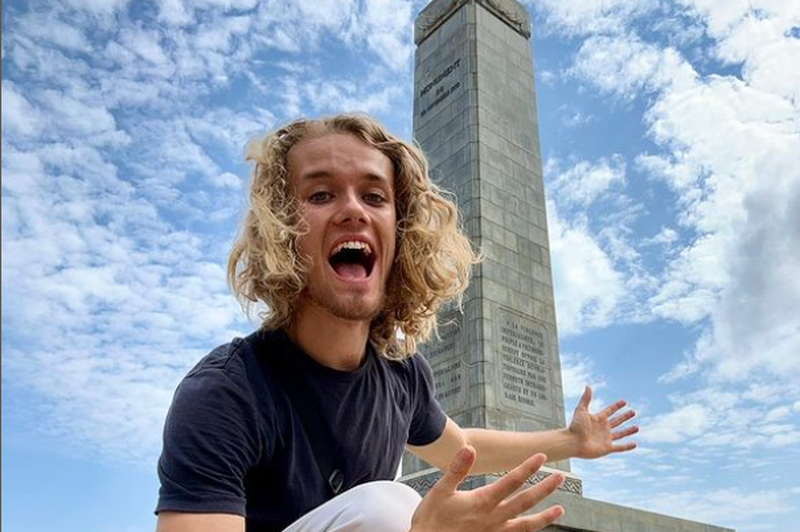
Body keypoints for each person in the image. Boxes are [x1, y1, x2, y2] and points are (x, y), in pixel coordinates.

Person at [155, 114, 639, 532]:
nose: (352, 210)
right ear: (282, 228)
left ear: (402, 232)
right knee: (387, 508)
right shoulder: (224, 395)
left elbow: (462, 447)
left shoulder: (400, 377)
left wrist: (571, 441)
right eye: (321, 194)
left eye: (374, 196)